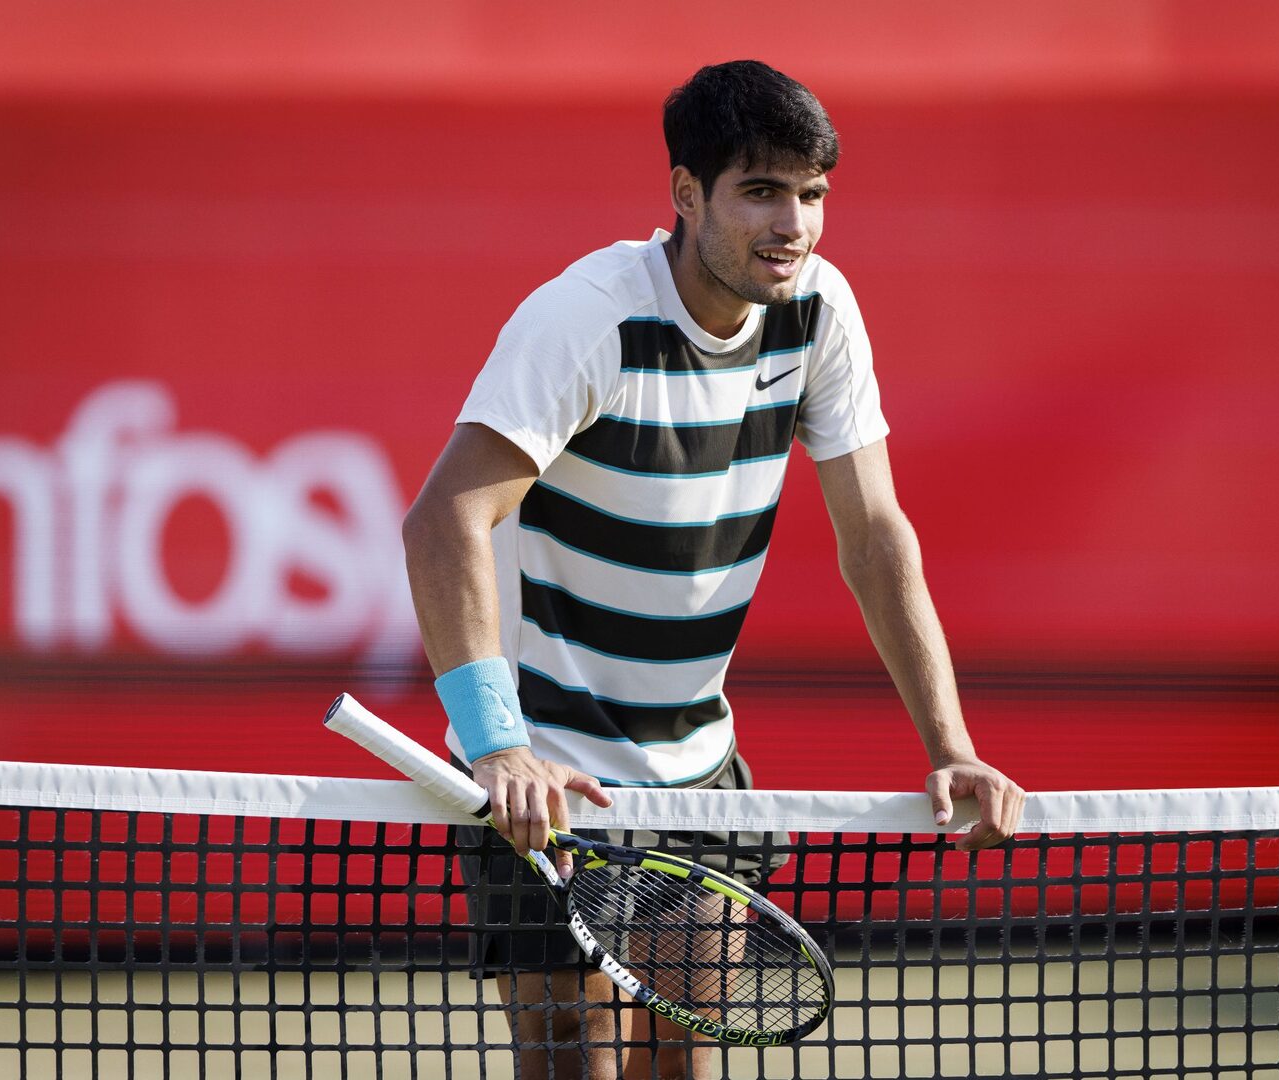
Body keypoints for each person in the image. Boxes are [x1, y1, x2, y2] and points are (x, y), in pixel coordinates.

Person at [402, 59, 1027, 1080]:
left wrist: (949, 745)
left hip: (698, 775)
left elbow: (874, 536)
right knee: (571, 1066)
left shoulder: (818, 310)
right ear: (685, 194)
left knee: (682, 1068)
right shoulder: (587, 317)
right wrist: (497, 747)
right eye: (760, 191)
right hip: (548, 780)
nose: (793, 224)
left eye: (811, 193)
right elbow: (444, 522)